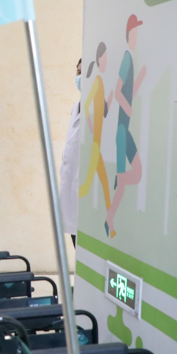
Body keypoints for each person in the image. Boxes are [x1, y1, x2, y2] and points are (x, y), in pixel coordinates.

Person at [106, 15, 149, 238]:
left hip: (126, 130)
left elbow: (130, 92)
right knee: (123, 185)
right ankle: (110, 220)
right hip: (122, 131)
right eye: (135, 32)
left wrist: (140, 78)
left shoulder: (131, 60)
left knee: (138, 172)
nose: (137, 36)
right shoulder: (126, 58)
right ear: (129, 34)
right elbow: (119, 90)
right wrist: (127, 108)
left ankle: (120, 179)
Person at [79, 42, 114, 224]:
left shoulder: (103, 83)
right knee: (86, 188)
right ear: (99, 58)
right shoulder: (97, 81)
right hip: (95, 144)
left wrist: (111, 97)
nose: (106, 60)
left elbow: (104, 112)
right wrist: (90, 124)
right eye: (105, 57)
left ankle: (110, 222)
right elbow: (86, 105)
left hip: (98, 144)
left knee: (105, 184)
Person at [59, 59, 83, 247]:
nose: (79, 77)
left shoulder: (100, 105)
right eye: (78, 72)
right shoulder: (76, 107)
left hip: (84, 188)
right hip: (71, 185)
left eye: (83, 72)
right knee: (75, 241)